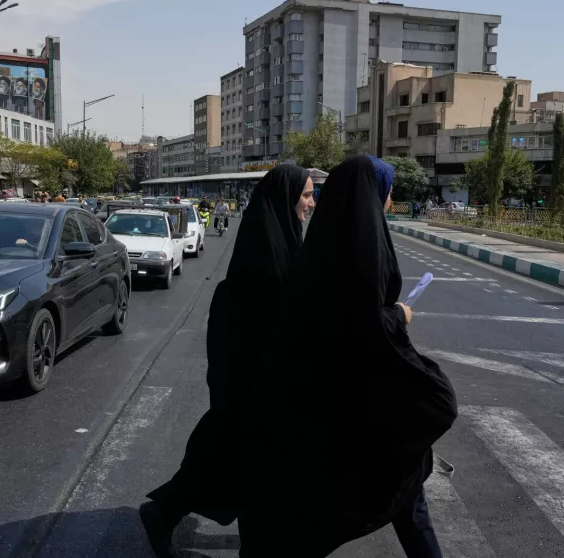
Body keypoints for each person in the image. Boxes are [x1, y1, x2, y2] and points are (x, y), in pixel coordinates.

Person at [239, 156, 457, 557]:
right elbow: (359, 325)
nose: (391, 200)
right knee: (357, 502)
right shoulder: (360, 249)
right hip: (353, 407)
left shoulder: (323, 248)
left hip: (341, 405)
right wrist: (397, 316)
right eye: (388, 191)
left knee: (405, 496)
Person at [141, 165, 315, 558]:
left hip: (260, 392)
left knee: (227, 467)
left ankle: (163, 514)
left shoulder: (280, 240)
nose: (310, 202)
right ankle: (165, 515)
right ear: (285, 199)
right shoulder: (266, 259)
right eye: (305, 195)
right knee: (249, 472)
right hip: (253, 392)